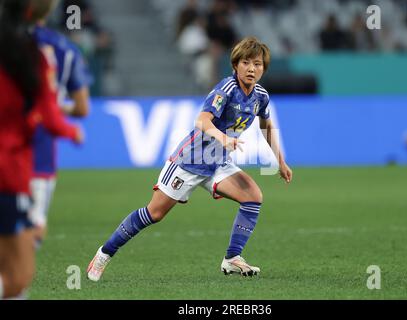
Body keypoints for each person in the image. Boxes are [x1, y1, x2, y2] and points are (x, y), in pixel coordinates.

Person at [87, 37, 292, 281]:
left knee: (253, 196)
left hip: (217, 162)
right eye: (245, 62)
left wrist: (280, 162)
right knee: (154, 213)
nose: (251, 68)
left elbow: (266, 125)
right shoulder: (225, 89)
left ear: (263, 68)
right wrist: (222, 138)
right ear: (235, 65)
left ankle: (232, 258)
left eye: (257, 64)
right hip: (190, 161)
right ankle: (104, 253)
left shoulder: (260, 96)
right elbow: (202, 121)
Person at [0, 0, 83, 299]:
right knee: (19, 273)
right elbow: (49, 110)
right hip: (11, 168)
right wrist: (71, 131)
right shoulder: (37, 55)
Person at [28, 0, 91, 245]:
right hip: (39, 155)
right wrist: (56, 114)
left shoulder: (9, 42)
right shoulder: (63, 49)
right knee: (30, 234)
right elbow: (82, 107)